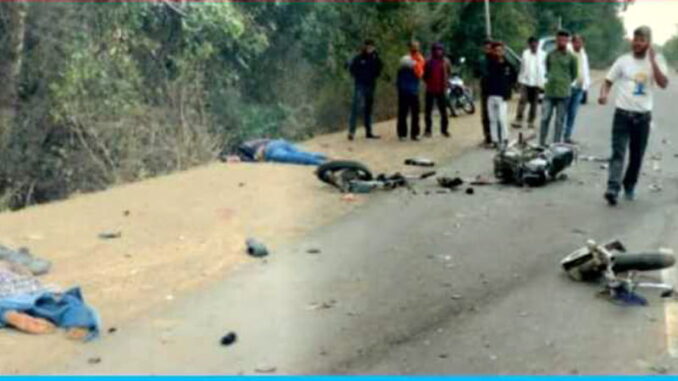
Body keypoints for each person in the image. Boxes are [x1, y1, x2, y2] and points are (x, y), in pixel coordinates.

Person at [599, 26, 668, 206]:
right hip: (622, 114)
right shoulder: (623, 61)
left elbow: (663, 83)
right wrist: (604, 93)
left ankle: (629, 184)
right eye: (635, 39)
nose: (637, 43)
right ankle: (613, 188)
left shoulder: (657, 60)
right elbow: (608, 81)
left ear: (648, 43)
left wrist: (653, 61)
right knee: (618, 153)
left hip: (643, 117)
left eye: (641, 40)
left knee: (636, 155)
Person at [539, 30, 578, 146]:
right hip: (549, 92)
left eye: (564, 40)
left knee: (559, 121)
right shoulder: (550, 55)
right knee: (545, 118)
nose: (561, 42)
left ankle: (555, 145)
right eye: (559, 39)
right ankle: (541, 143)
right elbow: (547, 68)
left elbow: (574, 74)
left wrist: (564, 82)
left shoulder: (572, 58)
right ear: (556, 40)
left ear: (567, 41)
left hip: (563, 93)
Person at [347, 39, 383, 141]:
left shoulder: (375, 58)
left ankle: (369, 132)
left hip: (371, 85)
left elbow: (379, 69)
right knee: (356, 107)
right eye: (368, 46)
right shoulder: (358, 58)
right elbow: (352, 69)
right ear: (365, 47)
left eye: (371, 47)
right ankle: (351, 132)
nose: (369, 48)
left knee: (368, 108)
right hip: (360, 85)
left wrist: (374, 75)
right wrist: (358, 77)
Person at [484, 41, 515, 148]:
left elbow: (513, 77)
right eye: (496, 50)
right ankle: (495, 140)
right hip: (491, 94)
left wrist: (508, 88)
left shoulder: (507, 65)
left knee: (502, 119)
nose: (498, 53)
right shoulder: (489, 63)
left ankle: (505, 138)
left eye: (500, 50)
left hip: (502, 96)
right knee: (492, 119)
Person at [563, 34, 591, 144]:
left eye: (581, 42)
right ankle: (560, 137)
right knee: (564, 113)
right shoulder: (568, 52)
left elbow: (586, 70)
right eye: (576, 42)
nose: (578, 44)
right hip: (569, 87)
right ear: (572, 42)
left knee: (572, 114)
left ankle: (567, 137)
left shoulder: (583, 54)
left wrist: (586, 85)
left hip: (579, 88)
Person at [512, 36, 545, 129]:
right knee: (523, 100)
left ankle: (531, 121)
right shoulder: (525, 54)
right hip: (525, 81)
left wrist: (544, 82)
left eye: (535, 43)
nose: (534, 45)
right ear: (529, 44)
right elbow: (522, 68)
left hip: (537, 82)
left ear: (538, 44)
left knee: (534, 103)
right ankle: (518, 119)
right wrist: (519, 80)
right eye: (532, 43)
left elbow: (545, 69)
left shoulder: (543, 55)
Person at [396, 40, 425, 141]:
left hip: (411, 90)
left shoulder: (418, 59)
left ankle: (411, 134)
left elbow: (419, 74)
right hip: (407, 90)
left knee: (412, 113)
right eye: (414, 46)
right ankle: (405, 134)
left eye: (417, 46)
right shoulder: (408, 60)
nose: (416, 48)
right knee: (406, 113)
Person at [423, 42, 453, 138]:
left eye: (440, 50)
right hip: (430, 88)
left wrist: (446, 82)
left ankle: (444, 130)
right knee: (428, 111)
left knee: (443, 111)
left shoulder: (446, 62)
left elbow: (448, 72)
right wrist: (428, 82)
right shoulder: (428, 62)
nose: (438, 52)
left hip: (441, 89)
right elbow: (424, 75)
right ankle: (428, 130)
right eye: (436, 50)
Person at [225, 139, 328, 166]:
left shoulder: (243, 148)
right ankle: (325, 158)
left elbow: (258, 156)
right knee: (303, 154)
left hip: (270, 150)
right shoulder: (248, 143)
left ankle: (321, 163)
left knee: (296, 158)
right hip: (279, 142)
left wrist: (241, 159)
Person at [476, 40, 494, 147]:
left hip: (494, 90)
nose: (487, 50)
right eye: (485, 48)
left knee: (494, 115)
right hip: (484, 90)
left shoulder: (495, 60)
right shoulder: (481, 60)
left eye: (489, 48)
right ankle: (487, 137)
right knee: (485, 115)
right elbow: (477, 73)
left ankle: (494, 136)